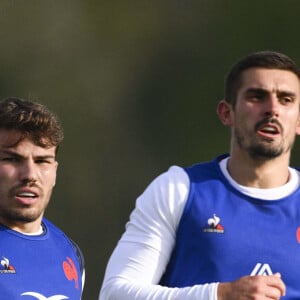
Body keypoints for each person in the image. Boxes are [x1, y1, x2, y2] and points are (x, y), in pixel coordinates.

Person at [99, 50, 300, 300]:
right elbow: (114, 294)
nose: (272, 109)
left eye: (286, 99)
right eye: (257, 97)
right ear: (227, 113)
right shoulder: (178, 190)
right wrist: (219, 294)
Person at [0, 97, 85, 299]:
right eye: (12, 159)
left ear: (55, 172)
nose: (30, 174)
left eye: (42, 161)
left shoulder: (71, 253)